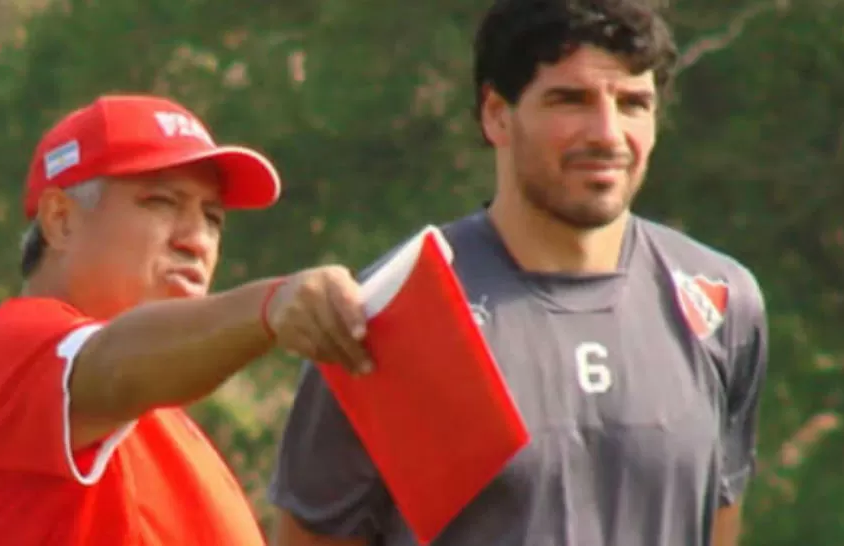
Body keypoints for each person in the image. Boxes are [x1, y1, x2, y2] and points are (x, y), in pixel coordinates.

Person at [268, 0, 769, 545]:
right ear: (496, 114)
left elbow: (719, 524)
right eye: (570, 100)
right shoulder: (391, 313)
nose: (607, 134)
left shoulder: (721, 302)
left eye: (633, 104)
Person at [0, 94, 373, 546]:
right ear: (60, 220)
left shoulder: (167, 421)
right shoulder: (3, 349)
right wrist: (270, 304)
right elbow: (114, 368)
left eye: (212, 218)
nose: (197, 241)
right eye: (161, 202)